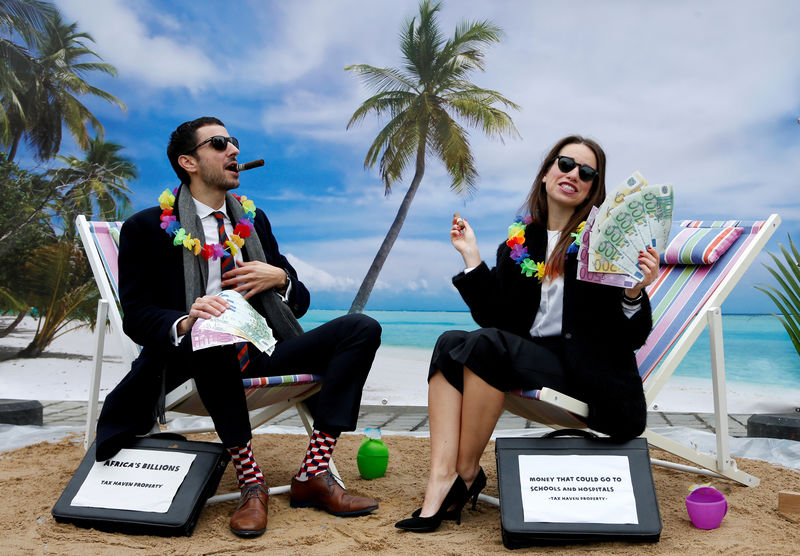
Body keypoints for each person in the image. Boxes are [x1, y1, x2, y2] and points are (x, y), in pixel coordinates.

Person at [95, 116, 382, 538]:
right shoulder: (147, 228)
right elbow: (136, 315)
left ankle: (314, 474)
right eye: (219, 143)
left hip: (261, 349)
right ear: (188, 161)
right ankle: (251, 482)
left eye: (234, 142)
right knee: (211, 329)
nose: (234, 151)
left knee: (361, 328)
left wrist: (279, 279)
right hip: (192, 358)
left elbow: (299, 304)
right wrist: (186, 319)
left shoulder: (253, 220)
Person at [395, 135, 659, 532]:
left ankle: (466, 472)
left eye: (587, 172)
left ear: (594, 188)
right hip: (527, 358)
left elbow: (632, 337)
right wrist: (471, 257)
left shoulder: (603, 245)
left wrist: (634, 292)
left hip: (584, 375)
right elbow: (494, 317)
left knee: (485, 346)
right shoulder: (519, 243)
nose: (574, 174)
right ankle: (441, 479)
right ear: (547, 173)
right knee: (450, 342)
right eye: (566, 164)